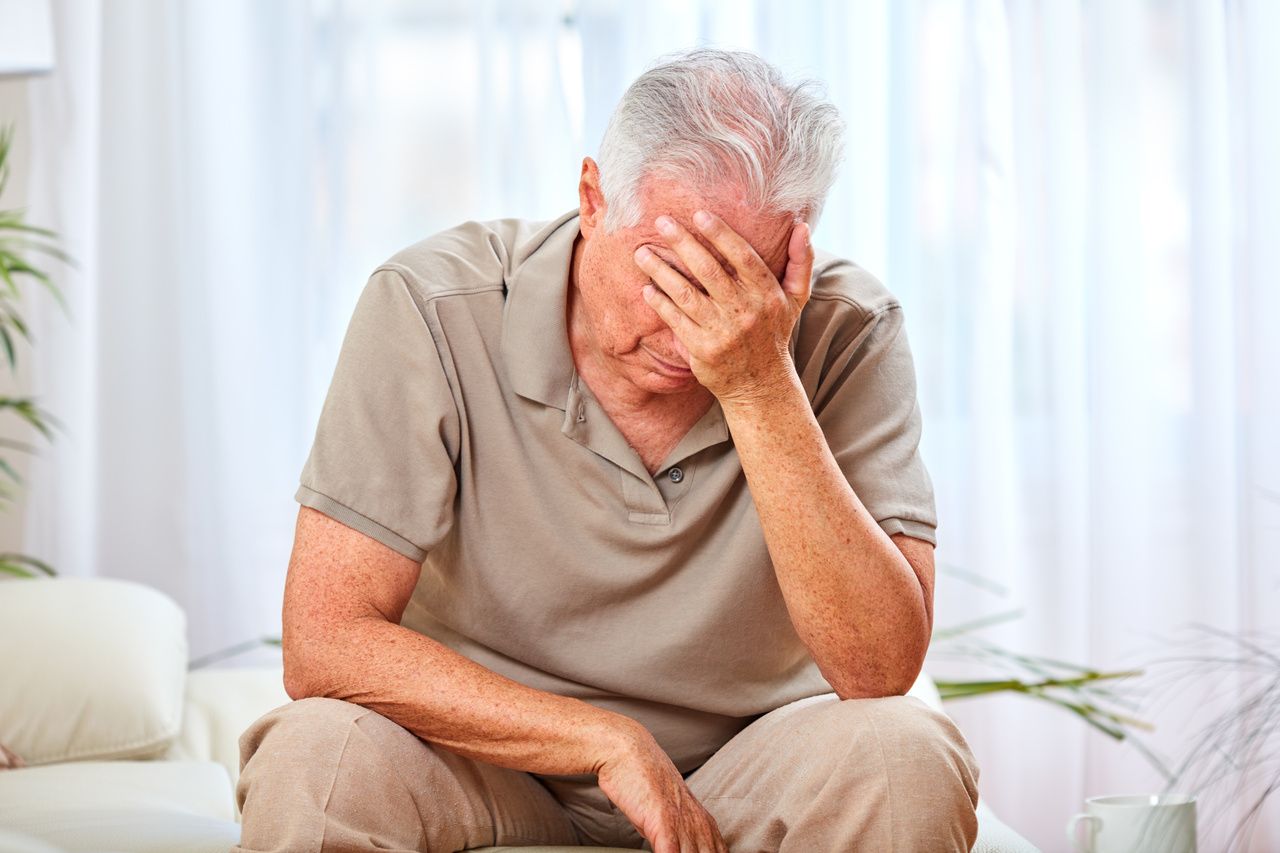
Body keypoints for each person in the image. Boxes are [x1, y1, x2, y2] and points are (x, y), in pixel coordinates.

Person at [234, 47, 980, 853]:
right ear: (593, 199)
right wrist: (602, 740)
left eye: (741, 282)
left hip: (750, 758)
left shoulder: (849, 330)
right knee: (315, 756)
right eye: (669, 271)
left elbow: (880, 670)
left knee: (906, 756)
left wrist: (762, 385)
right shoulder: (430, 306)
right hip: (484, 757)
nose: (698, 330)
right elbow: (325, 640)